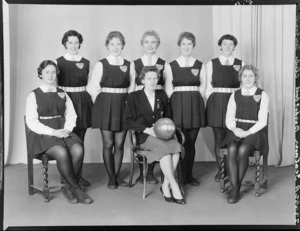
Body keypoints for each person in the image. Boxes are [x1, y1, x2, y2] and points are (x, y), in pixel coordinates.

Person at [25, 60, 93, 204]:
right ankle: (76, 188)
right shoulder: (33, 95)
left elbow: (71, 115)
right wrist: (53, 132)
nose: (50, 75)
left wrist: (67, 129)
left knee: (78, 148)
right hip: (43, 134)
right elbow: (31, 122)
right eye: (47, 72)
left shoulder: (63, 93)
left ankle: (68, 188)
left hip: (62, 130)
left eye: (53, 72)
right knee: (61, 152)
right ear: (40, 74)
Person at [125, 66, 186, 205]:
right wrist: (146, 130)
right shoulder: (133, 96)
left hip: (161, 134)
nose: (152, 81)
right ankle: (174, 186)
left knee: (176, 147)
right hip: (144, 136)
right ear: (142, 80)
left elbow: (169, 117)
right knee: (164, 150)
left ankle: (165, 185)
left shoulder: (162, 95)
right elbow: (127, 121)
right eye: (149, 78)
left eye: (155, 78)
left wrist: (164, 129)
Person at [87, 31, 135, 189]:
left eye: (119, 44)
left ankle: (116, 174)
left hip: (123, 105)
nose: (116, 47)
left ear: (123, 46)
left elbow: (132, 88)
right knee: (108, 144)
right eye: (112, 44)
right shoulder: (101, 64)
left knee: (120, 144)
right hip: (106, 106)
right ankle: (111, 178)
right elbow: (93, 88)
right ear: (107, 45)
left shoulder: (129, 64)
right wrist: (102, 105)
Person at [221, 64, 269, 203]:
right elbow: (229, 118)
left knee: (242, 150)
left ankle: (235, 189)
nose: (248, 79)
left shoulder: (262, 94)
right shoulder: (235, 94)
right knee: (232, 148)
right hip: (237, 129)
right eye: (245, 76)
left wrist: (248, 132)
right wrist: (236, 130)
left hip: (255, 131)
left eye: (251, 76)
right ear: (240, 78)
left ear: (255, 78)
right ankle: (235, 186)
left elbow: (262, 121)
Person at [165, 32, 206, 186]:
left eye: (189, 44)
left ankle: (189, 175)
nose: (186, 47)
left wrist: (193, 99)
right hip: (178, 104)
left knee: (191, 143)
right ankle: (181, 176)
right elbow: (169, 89)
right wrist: (178, 102)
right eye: (184, 44)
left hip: (195, 104)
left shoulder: (200, 65)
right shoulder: (171, 65)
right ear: (179, 45)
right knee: (181, 142)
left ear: (193, 45)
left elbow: (203, 88)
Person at [205, 34, 245, 182]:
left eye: (230, 44)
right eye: (225, 44)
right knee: (218, 139)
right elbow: (207, 87)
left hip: (234, 102)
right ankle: (221, 170)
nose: (228, 47)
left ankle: (231, 169)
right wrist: (214, 100)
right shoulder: (212, 63)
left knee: (232, 138)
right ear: (220, 46)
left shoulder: (240, 63)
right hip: (217, 102)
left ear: (234, 46)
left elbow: (244, 85)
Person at [56, 30, 93, 188]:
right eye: (70, 42)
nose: (73, 45)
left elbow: (91, 85)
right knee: (66, 139)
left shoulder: (86, 61)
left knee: (80, 140)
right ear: (65, 43)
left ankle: (78, 175)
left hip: (82, 101)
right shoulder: (59, 62)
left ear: (80, 43)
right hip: (65, 100)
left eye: (76, 42)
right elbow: (54, 85)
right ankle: (66, 176)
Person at [132, 29, 169, 185]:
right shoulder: (135, 63)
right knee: (147, 135)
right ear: (142, 44)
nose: (150, 45)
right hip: (142, 103)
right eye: (146, 41)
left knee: (159, 134)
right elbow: (131, 87)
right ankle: (144, 173)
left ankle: (153, 173)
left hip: (157, 103)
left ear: (158, 44)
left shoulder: (163, 63)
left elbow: (167, 86)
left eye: (153, 42)